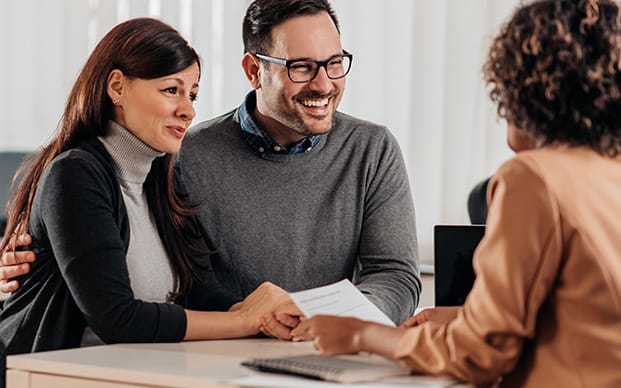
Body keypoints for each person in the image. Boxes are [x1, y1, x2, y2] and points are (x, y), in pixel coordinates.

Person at [1, 0, 422, 340]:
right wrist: (253, 319)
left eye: (334, 63)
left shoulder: (372, 149)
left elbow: (395, 276)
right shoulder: (178, 156)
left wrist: (316, 315)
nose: (325, 83)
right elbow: (121, 305)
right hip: (171, 365)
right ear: (254, 71)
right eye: (301, 67)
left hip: (301, 350)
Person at [290, 0, 621, 386]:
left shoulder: (533, 179)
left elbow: (479, 354)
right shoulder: (608, 170)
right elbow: (581, 315)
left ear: (522, 85)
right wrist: (463, 316)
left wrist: (364, 335)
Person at [0, 17, 292, 386]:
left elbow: (202, 293)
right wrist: (243, 320)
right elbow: (116, 318)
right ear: (117, 86)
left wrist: (265, 315)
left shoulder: (162, 179)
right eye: (171, 89)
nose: (188, 110)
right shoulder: (75, 175)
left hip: (139, 373)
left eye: (193, 94)